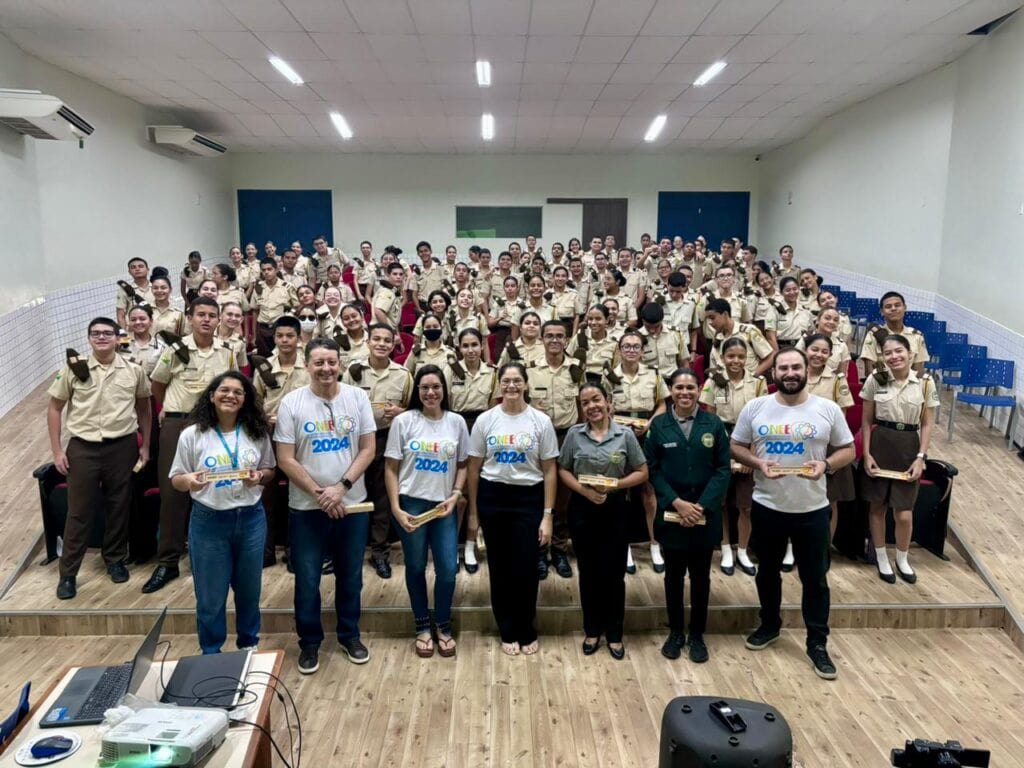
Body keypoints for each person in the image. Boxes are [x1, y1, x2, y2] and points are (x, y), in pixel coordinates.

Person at [730, 348, 856, 680]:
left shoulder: (827, 409)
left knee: (815, 580)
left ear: (806, 371)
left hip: (813, 510)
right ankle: (769, 625)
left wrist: (826, 465)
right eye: (783, 367)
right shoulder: (756, 407)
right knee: (767, 572)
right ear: (774, 374)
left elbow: (849, 449)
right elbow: (735, 445)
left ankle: (817, 643)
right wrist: (758, 463)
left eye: (795, 367)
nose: (789, 372)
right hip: (768, 506)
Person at [275, 338, 377, 674]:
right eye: (318, 362)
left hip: (352, 505)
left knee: (350, 576)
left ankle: (349, 634)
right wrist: (321, 493)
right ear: (307, 365)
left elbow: (367, 450)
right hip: (306, 508)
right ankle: (309, 643)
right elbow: (285, 459)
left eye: (331, 362)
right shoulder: (291, 403)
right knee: (306, 579)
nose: (326, 368)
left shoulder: (358, 397)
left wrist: (341, 488)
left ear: (341, 364)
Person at [169, 372, 275, 653]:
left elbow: (269, 470)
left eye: (238, 392)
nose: (231, 396)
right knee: (210, 596)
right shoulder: (192, 435)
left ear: (246, 399)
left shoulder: (256, 432)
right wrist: (190, 481)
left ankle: (248, 646)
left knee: (249, 592)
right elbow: (177, 478)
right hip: (209, 522)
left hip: (251, 519)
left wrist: (259, 476)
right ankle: (211, 652)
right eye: (224, 390)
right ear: (212, 395)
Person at [47, 318, 152, 599]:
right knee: (79, 511)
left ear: (118, 338)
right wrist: (57, 450)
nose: (102, 337)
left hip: (122, 446)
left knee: (119, 506)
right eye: (96, 333)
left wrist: (146, 446)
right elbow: (55, 408)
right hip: (83, 447)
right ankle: (68, 573)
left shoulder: (133, 371)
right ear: (89, 338)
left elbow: (144, 408)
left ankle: (115, 559)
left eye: (108, 333)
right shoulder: (73, 369)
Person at [144, 297, 238, 593]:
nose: (207, 320)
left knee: (212, 488)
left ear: (219, 319)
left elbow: (232, 385)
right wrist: (170, 409)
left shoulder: (227, 351)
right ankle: (168, 561)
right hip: (178, 423)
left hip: (213, 426)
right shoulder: (175, 350)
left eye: (212, 315)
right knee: (173, 493)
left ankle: (208, 557)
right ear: (190, 317)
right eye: (201, 315)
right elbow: (157, 384)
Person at [467, 362, 559, 656]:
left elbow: (550, 471)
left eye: (517, 381)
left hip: (528, 500)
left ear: (526, 384)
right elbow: (474, 467)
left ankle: (525, 627)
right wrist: (473, 512)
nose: (511, 386)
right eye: (505, 381)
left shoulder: (540, 421)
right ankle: (506, 629)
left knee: (527, 568)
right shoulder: (485, 420)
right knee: (500, 567)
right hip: (493, 497)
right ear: (499, 385)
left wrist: (547, 515)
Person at [645, 368, 731, 663]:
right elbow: (652, 469)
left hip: (704, 515)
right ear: (670, 390)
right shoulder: (659, 426)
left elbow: (722, 469)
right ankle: (676, 632)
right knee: (673, 577)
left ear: (699, 390)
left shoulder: (714, 423)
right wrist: (676, 502)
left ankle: (697, 634)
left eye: (690, 388)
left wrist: (701, 506)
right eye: (679, 387)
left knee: (701, 577)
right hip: (672, 514)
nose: (685, 393)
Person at [384, 365, 470, 658]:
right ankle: (422, 625)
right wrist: (395, 507)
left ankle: (443, 624)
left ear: (444, 390)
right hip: (411, 504)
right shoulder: (404, 422)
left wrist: (457, 494)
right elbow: (391, 468)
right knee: (416, 566)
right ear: (416, 392)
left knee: (447, 569)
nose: (430, 393)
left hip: (444, 506)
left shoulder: (457, 422)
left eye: (436, 387)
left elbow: (463, 465)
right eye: (424, 388)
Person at [558, 382, 647, 659]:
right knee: (589, 572)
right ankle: (592, 630)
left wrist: (616, 485)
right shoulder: (574, 435)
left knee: (614, 574)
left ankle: (615, 633)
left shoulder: (625, 435)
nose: (591, 406)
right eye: (585, 403)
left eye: (596, 399)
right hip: (583, 510)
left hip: (616, 509)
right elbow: (563, 469)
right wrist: (585, 491)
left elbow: (642, 471)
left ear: (608, 401)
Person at [860, 334, 939, 584]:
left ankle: (902, 558)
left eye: (898, 351)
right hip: (881, 442)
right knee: (877, 506)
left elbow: (926, 424)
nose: (893, 357)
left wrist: (921, 457)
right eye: (887, 353)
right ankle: (882, 556)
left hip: (909, 446)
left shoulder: (925, 383)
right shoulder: (876, 379)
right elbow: (865, 421)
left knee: (904, 512)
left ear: (910, 354)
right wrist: (866, 453)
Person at [342, 324, 414, 579]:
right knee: (355, 493)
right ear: (368, 342)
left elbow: (414, 411)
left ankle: (380, 552)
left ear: (394, 344)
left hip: (387, 438)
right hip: (357, 440)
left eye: (387, 340)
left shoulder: (403, 375)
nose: (382, 344)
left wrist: (402, 412)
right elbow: (342, 403)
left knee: (382, 497)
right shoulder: (353, 371)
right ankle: (349, 550)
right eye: (376, 339)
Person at [699, 338, 768, 577]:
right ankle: (726, 547)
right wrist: (720, 456)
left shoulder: (758, 384)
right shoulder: (713, 381)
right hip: (721, 440)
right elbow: (709, 419)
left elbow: (763, 421)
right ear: (722, 358)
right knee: (721, 503)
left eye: (740, 356)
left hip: (749, 442)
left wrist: (752, 455)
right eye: (730, 356)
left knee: (745, 505)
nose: (735, 361)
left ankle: (742, 550)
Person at [526, 320, 584, 580]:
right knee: (540, 496)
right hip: (538, 440)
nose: (554, 340)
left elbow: (584, 408)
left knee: (563, 500)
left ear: (566, 339)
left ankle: (559, 550)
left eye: (560, 336)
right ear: (541, 339)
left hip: (567, 437)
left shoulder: (576, 370)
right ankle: (539, 551)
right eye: (549, 335)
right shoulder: (530, 371)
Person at [251, 316, 311, 566]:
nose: (284, 340)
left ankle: (295, 549)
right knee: (267, 495)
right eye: (280, 336)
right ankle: (265, 550)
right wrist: (266, 418)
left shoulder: (308, 368)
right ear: (274, 338)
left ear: (299, 339)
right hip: (270, 435)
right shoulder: (264, 367)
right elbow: (254, 403)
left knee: (299, 493)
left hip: (300, 439)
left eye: (290, 336)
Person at [444, 328, 498, 574]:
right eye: (465, 346)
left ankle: (470, 544)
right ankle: (453, 547)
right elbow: (443, 405)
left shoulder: (492, 373)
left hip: (482, 429)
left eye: (474, 344)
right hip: (455, 428)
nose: (470, 350)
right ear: (459, 348)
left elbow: (494, 407)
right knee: (458, 493)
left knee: (477, 492)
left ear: (481, 345)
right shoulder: (450, 371)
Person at [803, 333, 856, 540]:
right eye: (814, 349)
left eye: (824, 351)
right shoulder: (795, 375)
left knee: (829, 500)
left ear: (830, 355)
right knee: (798, 497)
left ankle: (824, 546)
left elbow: (841, 416)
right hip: (798, 444)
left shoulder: (837, 380)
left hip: (827, 446)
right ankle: (792, 547)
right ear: (805, 350)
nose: (819, 355)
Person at [859, 291, 930, 377]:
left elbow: (918, 371)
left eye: (897, 305)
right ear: (882, 311)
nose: (893, 308)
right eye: (888, 306)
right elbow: (869, 372)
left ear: (905, 308)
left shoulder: (917, 336)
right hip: (881, 386)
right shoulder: (873, 335)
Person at [251, 258, 298, 357]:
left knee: (282, 356)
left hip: (280, 328)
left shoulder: (287, 287)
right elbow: (255, 311)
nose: (266, 272)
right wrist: (254, 335)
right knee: (264, 358)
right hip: (262, 328)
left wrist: (290, 314)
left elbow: (297, 307)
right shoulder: (258, 287)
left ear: (276, 270)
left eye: (269, 269)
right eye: (263, 270)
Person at [122, 304, 165, 376]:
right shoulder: (122, 342)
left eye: (142, 319)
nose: (138, 322)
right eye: (133, 320)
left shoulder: (161, 347)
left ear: (151, 321)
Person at [775, 277, 814, 347]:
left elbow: (810, 331)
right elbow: (770, 336)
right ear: (781, 292)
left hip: (802, 348)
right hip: (782, 348)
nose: (792, 292)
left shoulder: (806, 311)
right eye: (788, 290)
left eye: (795, 289)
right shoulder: (775, 310)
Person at [116, 256, 154, 328]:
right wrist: (124, 335)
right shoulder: (125, 290)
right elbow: (120, 316)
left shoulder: (156, 287)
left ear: (148, 269)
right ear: (129, 272)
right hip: (135, 329)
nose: (137, 269)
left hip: (155, 327)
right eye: (133, 267)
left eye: (141, 266)